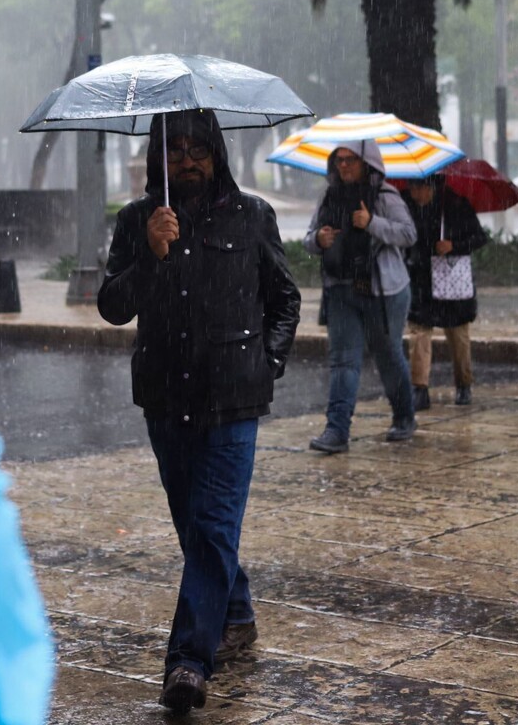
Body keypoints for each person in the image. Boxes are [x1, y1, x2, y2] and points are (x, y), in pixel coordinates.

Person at [98, 109, 301, 713]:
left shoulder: (252, 216)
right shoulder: (139, 221)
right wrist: (150, 257)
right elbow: (112, 306)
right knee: (196, 526)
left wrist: (269, 361)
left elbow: (284, 298)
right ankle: (234, 609)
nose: (187, 160)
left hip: (234, 398)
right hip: (166, 396)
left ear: (217, 154)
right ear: (157, 159)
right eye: (175, 150)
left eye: (198, 149)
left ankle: (188, 661)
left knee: (213, 527)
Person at [304, 141, 418, 453]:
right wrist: (318, 239)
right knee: (343, 360)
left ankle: (404, 417)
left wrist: (372, 224)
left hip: (384, 291)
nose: (343, 166)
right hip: (340, 289)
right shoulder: (329, 196)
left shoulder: (384, 196)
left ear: (366, 163)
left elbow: (409, 234)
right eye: (339, 160)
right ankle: (337, 430)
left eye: (351, 160)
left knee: (388, 354)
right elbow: (308, 237)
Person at [403, 174, 489, 408]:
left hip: (452, 283)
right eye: (411, 188)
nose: (414, 194)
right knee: (419, 333)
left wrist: (453, 245)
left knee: (458, 336)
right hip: (421, 281)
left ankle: (463, 384)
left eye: (419, 188)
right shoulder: (405, 205)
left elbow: (479, 238)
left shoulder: (455, 205)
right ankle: (419, 388)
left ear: (431, 187)